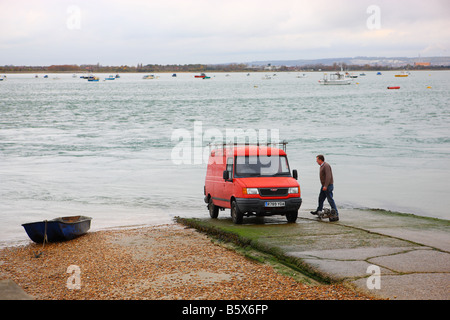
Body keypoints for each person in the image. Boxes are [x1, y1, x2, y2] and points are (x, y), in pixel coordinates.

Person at [310, 155, 339, 221]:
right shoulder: (321, 166)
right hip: (323, 186)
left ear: (320, 160)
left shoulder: (326, 166)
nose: (316, 161)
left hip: (328, 186)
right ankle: (319, 211)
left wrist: (326, 185)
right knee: (320, 198)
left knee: (330, 199)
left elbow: (328, 176)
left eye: (317, 160)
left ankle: (336, 213)